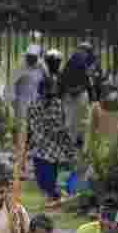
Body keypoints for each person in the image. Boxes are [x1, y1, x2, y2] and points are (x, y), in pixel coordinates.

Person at [27, 75, 77, 209]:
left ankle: (54, 196)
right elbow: (34, 125)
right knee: (42, 177)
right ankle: (52, 195)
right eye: (48, 91)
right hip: (40, 145)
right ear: (41, 91)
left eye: (52, 91)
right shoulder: (34, 104)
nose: (50, 94)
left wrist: (65, 140)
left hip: (55, 145)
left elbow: (61, 124)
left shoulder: (57, 103)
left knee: (52, 175)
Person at [60, 42, 99, 150]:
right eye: (82, 50)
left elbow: (63, 78)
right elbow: (88, 81)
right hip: (77, 94)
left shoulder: (75, 60)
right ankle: (75, 143)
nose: (82, 52)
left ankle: (73, 143)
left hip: (74, 94)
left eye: (84, 50)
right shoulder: (82, 61)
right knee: (78, 120)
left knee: (74, 120)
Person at [5, 44, 46, 139]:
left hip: (35, 100)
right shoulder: (21, 67)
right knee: (21, 124)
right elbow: (11, 83)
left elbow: (45, 82)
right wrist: (12, 99)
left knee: (34, 124)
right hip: (21, 100)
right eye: (29, 56)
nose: (30, 59)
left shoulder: (41, 67)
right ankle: (20, 144)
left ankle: (30, 144)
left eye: (33, 57)